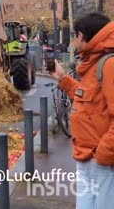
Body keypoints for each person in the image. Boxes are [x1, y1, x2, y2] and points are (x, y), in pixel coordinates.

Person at [49, 12, 114, 209]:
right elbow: (87, 100)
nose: (74, 42)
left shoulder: (109, 64)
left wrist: (103, 154)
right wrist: (62, 78)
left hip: (101, 161)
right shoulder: (93, 63)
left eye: (75, 36)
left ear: (84, 35)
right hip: (87, 157)